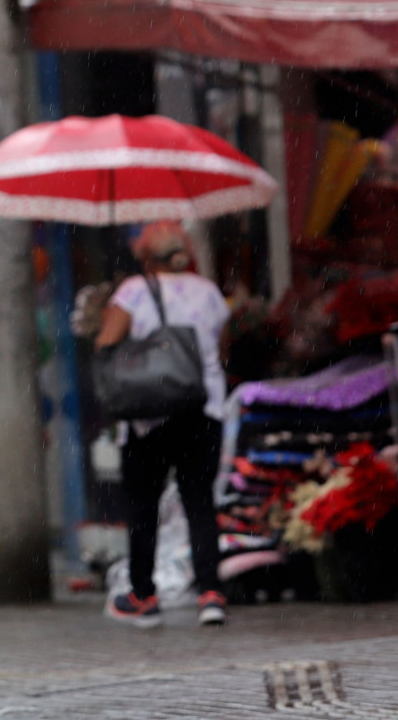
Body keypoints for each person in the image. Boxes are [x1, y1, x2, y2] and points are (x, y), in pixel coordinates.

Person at [94, 220, 232, 629]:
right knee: (200, 502)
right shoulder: (208, 292)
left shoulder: (133, 292)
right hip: (202, 409)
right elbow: (222, 350)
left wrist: (107, 314)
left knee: (143, 507)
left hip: (148, 414)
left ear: (144, 256)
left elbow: (106, 345)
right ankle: (210, 593)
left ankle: (143, 595)